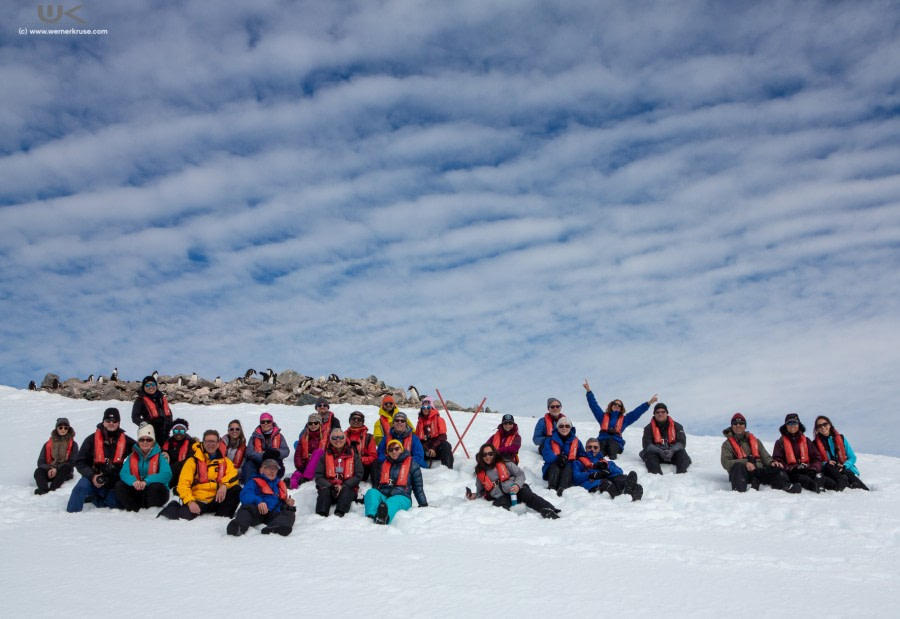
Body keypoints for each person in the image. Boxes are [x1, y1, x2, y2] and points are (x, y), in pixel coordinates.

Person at [158, 430, 241, 520]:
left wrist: (224, 485)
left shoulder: (225, 461)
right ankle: (174, 505)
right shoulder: (193, 461)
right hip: (198, 499)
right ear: (203, 442)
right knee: (181, 516)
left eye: (213, 441)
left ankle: (222, 516)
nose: (210, 444)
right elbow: (183, 485)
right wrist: (190, 502)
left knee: (236, 489)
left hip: (216, 499)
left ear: (218, 444)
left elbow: (234, 476)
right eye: (208, 441)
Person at [67, 408, 136, 513]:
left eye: (114, 421)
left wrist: (163, 453)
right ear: (103, 422)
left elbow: (144, 448)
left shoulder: (126, 440)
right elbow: (79, 462)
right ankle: (70, 516)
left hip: (113, 481)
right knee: (80, 487)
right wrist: (92, 476)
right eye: (108, 421)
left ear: (119, 423)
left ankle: (96, 497)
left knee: (116, 503)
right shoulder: (91, 440)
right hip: (93, 478)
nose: (111, 423)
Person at [466, 443, 560, 518]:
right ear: (481, 457)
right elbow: (481, 492)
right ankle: (514, 520)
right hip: (504, 497)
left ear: (494, 454)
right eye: (484, 454)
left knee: (528, 495)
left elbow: (520, 474)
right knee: (498, 504)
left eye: (490, 453)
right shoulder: (480, 474)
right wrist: (473, 496)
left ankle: (550, 510)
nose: (488, 456)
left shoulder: (505, 463)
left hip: (518, 490)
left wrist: (517, 485)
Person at [720, 413, 797, 493]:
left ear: (745, 426)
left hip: (757, 472)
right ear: (732, 426)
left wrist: (772, 462)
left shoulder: (756, 441)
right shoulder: (727, 444)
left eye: (741, 423)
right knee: (738, 466)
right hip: (741, 474)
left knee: (777, 468)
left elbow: (766, 456)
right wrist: (745, 463)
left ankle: (784, 489)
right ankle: (739, 494)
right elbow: (725, 462)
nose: (738, 425)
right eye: (735, 424)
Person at [583, 378, 657, 459]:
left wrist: (648, 403)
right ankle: (598, 462)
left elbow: (637, 412)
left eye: (619, 405)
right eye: (615, 404)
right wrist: (589, 391)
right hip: (602, 441)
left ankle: (612, 461)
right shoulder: (602, 417)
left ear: (621, 408)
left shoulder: (625, 420)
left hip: (616, 443)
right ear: (611, 405)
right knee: (602, 444)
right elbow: (594, 405)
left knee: (611, 443)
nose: (617, 406)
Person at [364, 439, 428, 525]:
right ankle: (371, 516)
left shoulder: (412, 464)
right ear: (387, 452)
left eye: (397, 449)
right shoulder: (383, 464)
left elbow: (418, 487)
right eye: (390, 450)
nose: (394, 451)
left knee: (393, 502)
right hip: (384, 495)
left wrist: (423, 504)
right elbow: (377, 484)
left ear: (401, 449)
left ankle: (383, 517)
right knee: (371, 492)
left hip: (402, 497)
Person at [226, 459, 296, 536]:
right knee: (247, 508)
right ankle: (238, 526)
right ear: (261, 470)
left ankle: (276, 527)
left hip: (273, 514)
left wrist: (287, 503)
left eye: (275, 469)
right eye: (269, 468)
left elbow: (281, 501)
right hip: (257, 512)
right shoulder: (253, 482)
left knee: (290, 513)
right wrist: (259, 501)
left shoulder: (280, 485)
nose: (272, 471)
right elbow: (245, 495)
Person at [116, 423, 172, 512]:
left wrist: (147, 481)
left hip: (155, 493)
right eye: (142, 439)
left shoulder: (161, 456)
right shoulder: (131, 456)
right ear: (138, 441)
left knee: (156, 487)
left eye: (148, 440)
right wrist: (133, 481)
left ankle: (151, 510)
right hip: (138, 491)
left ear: (153, 441)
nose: (145, 442)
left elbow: (167, 474)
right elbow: (123, 473)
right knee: (120, 485)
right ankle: (134, 508)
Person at [314, 428, 363, 517]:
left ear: (345, 439)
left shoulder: (354, 456)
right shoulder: (324, 456)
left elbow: (358, 475)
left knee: (347, 491)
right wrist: (331, 486)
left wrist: (345, 485)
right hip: (330, 488)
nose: (338, 440)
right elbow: (318, 476)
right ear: (330, 440)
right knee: (324, 490)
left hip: (347, 488)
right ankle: (320, 514)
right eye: (334, 438)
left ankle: (339, 513)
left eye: (340, 437)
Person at [575, 437, 643, 500]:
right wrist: (592, 475)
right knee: (608, 484)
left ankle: (628, 492)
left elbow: (619, 471)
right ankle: (621, 499)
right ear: (585, 448)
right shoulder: (579, 462)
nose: (592, 449)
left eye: (595, 447)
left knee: (621, 478)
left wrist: (608, 470)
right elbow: (576, 476)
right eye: (590, 447)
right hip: (592, 482)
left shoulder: (605, 462)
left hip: (608, 479)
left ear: (599, 449)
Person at [772, 413, 825, 493]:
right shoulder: (780, 442)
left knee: (820, 476)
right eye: (789, 423)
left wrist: (813, 469)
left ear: (799, 424)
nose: (792, 425)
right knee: (802, 478)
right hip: (792, 472)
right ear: (786, 426)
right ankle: (815, 486)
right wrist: (790, 468)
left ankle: (837, 485)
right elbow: (778, 459)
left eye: (795, 422)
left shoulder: (807, 441)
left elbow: (816, 458)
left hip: (808, 469)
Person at [813, 415, 868, 490]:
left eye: (825, 424)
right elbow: (815, 460)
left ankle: (865, 489)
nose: (822, 427)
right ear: (817, 429)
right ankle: (846, 483)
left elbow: (852, 457)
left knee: (847, 473)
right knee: (829, 468)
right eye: (819, 426)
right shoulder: (815, 444)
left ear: (830, 424)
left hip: (845, 468)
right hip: (829, 470)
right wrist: (826, 463)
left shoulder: (841, 438)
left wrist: (844, 466)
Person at [639, 403, 692, 474]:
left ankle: (681, 475)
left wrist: (672, 450)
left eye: (663, 412)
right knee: (649, 455)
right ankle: (656, 476)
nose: (660, 414)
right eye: (657, 412)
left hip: (673, 453)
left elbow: (682, 442)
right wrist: (659, 451)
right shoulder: (648, 428)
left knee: (682, 454)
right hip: (656, 454)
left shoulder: (678, 426)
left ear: (667, 413)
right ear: (654, 414)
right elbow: (646, 445)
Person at [540, 416, 585, 496]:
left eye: (567, 426)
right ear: (557, 428)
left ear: (571, 428)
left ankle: (562, 489)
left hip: (569, 467)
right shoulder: (549, 440)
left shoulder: (577, 442)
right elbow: (546, 454)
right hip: (553, 466)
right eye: (561, 426)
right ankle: (552, 488)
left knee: (568, 467)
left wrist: (574, 462)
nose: (564, 428)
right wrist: (557, 458)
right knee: (554, 467)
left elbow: (582, 457)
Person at [34, 417, 78, 495]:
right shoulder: (48, 444)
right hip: (49, 470)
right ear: (56, 428)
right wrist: (49, 469)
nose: (63, 429)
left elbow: (72, 461)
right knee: (38, 471)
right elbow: (41, 461)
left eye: (65, 427)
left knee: (66, 467)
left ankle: (53, 489)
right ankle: (43, 489)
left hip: (64, 471)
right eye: (60, 427)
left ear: (68, 429)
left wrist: (56, 469)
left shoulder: (74, 444)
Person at [243, 412, 289, 483]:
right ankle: (250, 485)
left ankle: (272, 486)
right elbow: (249, 452)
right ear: (260, 423)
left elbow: (286, 451)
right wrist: (262, 455)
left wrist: (277, 453)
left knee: (277, 467)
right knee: (248, 465)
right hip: (258, 464)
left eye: (268, 421)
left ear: (272, 422)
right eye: (263, 422)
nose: (265, 423)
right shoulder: (254, 437)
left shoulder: (279, 436)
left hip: (274, 462)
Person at [131, 375, 174, 445]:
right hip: (150, 434)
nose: (151, 387)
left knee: (165, 454)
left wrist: (170, 425)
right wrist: (145, 425)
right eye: (147, 385)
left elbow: (169, 413)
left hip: (165, 433)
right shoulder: (140, 400)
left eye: (153, 384)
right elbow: (135, 417)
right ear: (143, 387)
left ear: (156, 386)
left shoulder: (161, 398)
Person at [415, 396, 454, 469]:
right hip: (425, 451)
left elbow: (443, 436)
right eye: (423, 408)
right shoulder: (419, 423)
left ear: (431, 408)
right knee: (415, 447)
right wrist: (427, 449)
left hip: (437, 449)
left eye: (428, 407)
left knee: (446, 445)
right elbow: (418, 439)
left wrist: (433, 448)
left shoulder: (439, 420)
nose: (425, 409)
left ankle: (449, 470)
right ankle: (418, 470)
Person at [290, 413, 327, 488]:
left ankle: (306, 478)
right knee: (294, 478)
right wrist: (299, 466)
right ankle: (292, 488)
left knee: (318, 452)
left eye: (315, 423)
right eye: (310, 423)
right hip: (306, 464)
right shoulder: (304, 437)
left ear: (320, 424)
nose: (313, 425)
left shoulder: (326, 436)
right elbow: (298, 453)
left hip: (320, 465)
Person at [161, 418, 195, 489]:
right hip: (170, 472)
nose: (178, 433)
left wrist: (173, 466)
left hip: (185, 471)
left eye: (181, 431)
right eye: (176, 431)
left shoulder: (192, 443)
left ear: (185, 431)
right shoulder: (168, 443)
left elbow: (191, 460)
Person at [345, 411, 378, 482]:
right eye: (354, 419)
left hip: (362, 467)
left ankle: (376, 485)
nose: (356, 421)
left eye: (359, 419)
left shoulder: (369, 438)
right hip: (346, 466)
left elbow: (373, 456)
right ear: (350, 421)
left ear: (363, 422)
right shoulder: (343, 436)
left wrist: (360, 459)